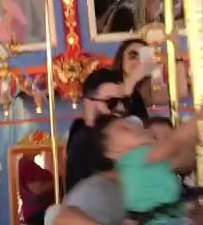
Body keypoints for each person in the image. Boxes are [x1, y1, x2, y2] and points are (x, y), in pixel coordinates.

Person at [65, 54, 154, 193]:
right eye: (111, 102)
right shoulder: (84, 140)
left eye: (123, 102)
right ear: (89, 102)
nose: (120, 108)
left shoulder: (117, 128)